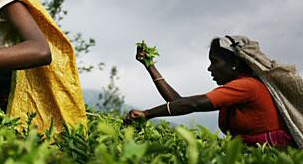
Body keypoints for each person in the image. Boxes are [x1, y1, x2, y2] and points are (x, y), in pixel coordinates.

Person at [124, 37, 295, 147]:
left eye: (215, 62)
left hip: (271, 156)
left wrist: (147, 113)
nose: (210, 68)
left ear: (234, 63)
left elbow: (193, 104)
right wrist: (149, 65)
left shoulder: (248, 86)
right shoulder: (238, 88)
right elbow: (179, 102)